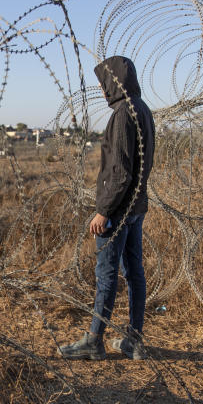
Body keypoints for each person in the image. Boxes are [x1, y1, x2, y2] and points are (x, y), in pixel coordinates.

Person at [59, 55, 155, 361]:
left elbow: (120, 172)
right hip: (136, 206)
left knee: (107, 275)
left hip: (119, 211)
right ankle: (134, 341)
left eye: (104, 84)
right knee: (134, 273)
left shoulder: (123, 114)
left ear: (115, 84)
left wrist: (104, 210)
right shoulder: (143, 109)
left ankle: (94, 341)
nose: (102, 90)